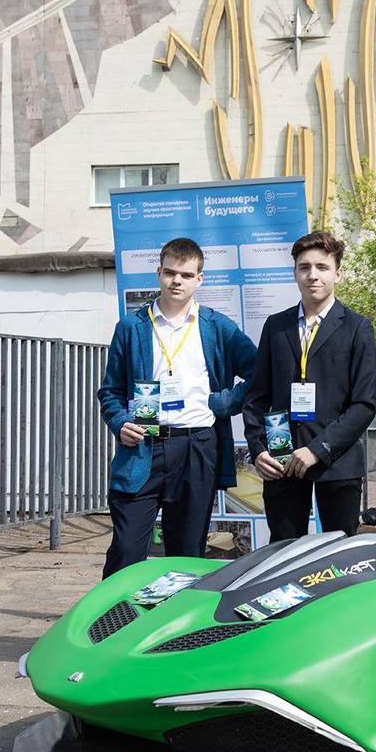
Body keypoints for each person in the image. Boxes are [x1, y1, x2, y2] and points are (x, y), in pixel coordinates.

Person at [98, 237, 256, 578]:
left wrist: (224, 402)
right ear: (159, 273)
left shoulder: (217, 327)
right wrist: (120, 422)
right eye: (170, 273)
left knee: (186, 555)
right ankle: (116, 613)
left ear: (200, 279)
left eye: (186, 275)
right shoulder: (131, 328)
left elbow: (260, 374)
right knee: (126, 551)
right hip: (143, 447)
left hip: (197, 446)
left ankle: (177, 614)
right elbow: (109, 392)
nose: (176, 281)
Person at [242, 231, 376, 540]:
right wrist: (258, 449)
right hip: (282, 461)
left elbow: (364, 404)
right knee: (284, 552)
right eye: (304, 267)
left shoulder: (357, 327)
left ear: (337, 273)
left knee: (338, 554)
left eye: (322, 267)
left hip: (337, 463)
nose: (313, 275)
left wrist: (317, 450)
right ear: (294, 273)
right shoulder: (276, 326)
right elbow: (256, 397)